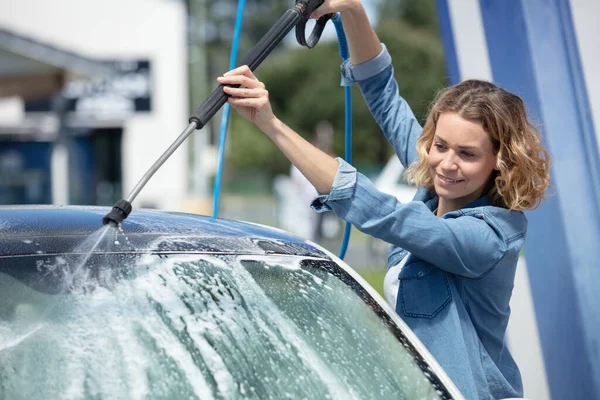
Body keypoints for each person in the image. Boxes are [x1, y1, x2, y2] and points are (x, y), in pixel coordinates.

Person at [216, 0, 551, 398]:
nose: (446, 163)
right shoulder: (438, 181)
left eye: (467, 154)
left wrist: (270, 125)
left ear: (500, 161)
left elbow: (386, 215)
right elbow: (383, 92)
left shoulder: (488, 237)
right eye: (440, 145)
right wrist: (353, 9)